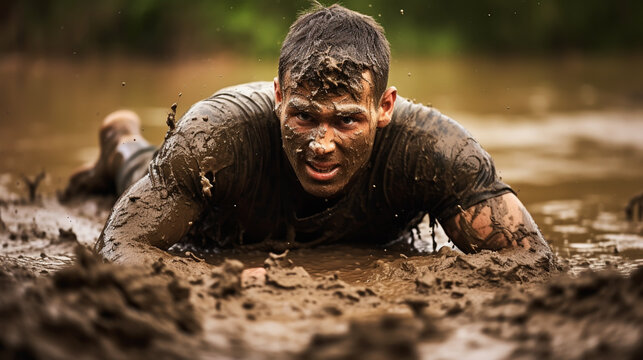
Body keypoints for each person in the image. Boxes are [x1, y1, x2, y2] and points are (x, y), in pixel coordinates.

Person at [65, 4, 551, 272]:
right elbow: (120, 244)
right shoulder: (216, 135)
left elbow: (530, 258)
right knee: (138, 167)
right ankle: (121, 140)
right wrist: (218, 279)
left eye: (345, 122)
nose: (321, 144)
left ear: (385, 108)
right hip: (213, 226)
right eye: (303, 117)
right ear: (278, 97)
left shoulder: (434, 150)